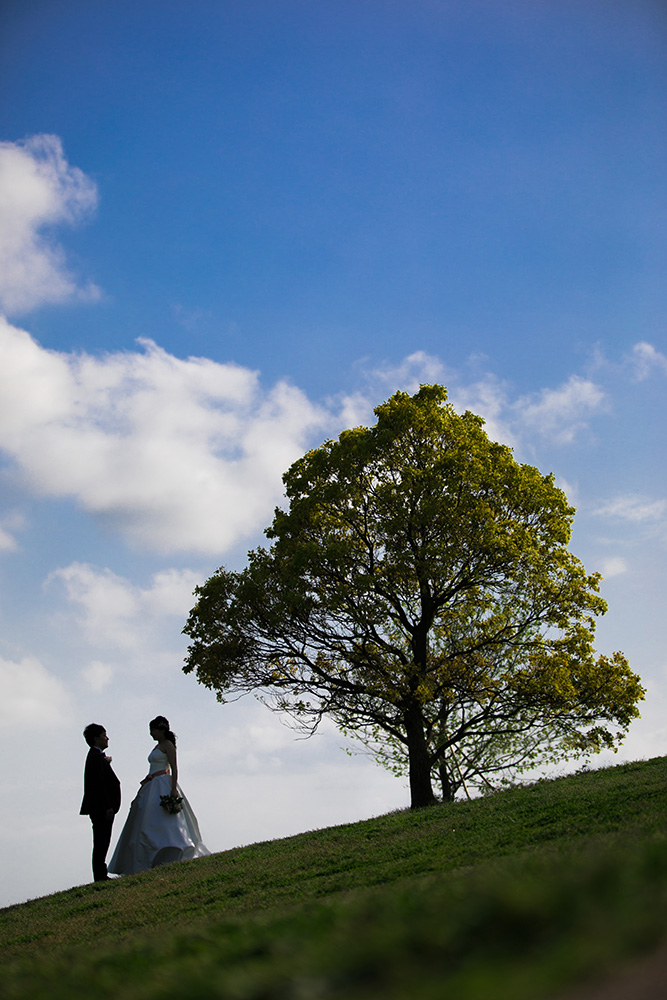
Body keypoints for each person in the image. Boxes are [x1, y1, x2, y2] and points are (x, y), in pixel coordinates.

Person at [109, 715, 209, 874]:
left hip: (163, 783)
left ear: (161, 729)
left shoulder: (168, 745)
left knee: (166, 820)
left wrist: (173, 788)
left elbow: (174, 767)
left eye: (153, 730)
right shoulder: (157, 746)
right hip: (151, 783)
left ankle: (172, 850)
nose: (151, 734)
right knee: (146, 818)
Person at [80, 723, 121, 882]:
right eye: (104, 735)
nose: (107, 738)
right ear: (96, 739)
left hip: (100, 807)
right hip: (101, 808)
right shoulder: (95, 757)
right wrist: (108, 807)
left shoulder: (96, 756)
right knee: (101, 842)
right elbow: (99, 785)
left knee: (102, 841)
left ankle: (100, 873)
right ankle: (100, 875)